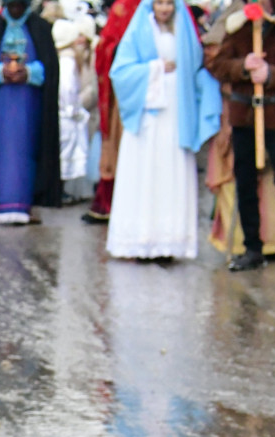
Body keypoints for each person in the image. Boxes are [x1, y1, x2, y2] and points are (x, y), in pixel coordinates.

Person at [106, 0, 220, 261]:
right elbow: (121, 72)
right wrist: (155, 69)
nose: (165, 8)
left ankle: (169, 241)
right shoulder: (139, 30)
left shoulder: (184, 31)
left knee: (171, 168)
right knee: (145, 169)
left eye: (169, 3)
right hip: (148, 115)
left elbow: (195, 68)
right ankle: (140, 239)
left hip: (177, 112)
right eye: (159, 3)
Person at [208, 0, 275, 274]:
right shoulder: (237, 25)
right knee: (246, 183)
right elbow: (219, 66)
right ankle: (252, 248)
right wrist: (243, 66)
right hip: (244, 117)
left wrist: (271, 74)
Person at [0, 0, 60, 224]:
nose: (16, 10)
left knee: (27, 151)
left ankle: (26, 203)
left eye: (20, 6)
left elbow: (51, 66)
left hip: (29, 106)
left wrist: (29, 73)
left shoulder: (40, 27)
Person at [82, 0, 138, 223]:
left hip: (155, 93)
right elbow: (106, 46)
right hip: (121, 94)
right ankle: (111, 200)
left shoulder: (168, 7)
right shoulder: (123, 7)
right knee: (116, 144)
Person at [53, 19, 90, 202]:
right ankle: (59, 192)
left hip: (63, 113)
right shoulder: (68, 61)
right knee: (65, 155)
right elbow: (68, 89)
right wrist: (74, 109)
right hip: (67, 115)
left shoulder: (59, 59)